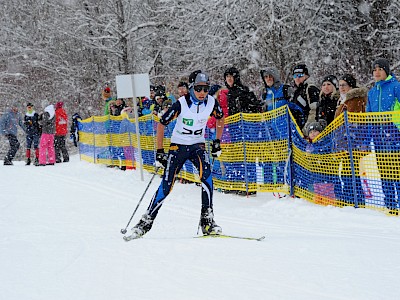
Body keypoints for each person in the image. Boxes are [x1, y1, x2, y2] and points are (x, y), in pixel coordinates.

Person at [128, 70, 225, 239]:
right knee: (167, 185)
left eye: (206, 89)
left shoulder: (211, 102)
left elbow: (220, 118)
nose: (202, 93)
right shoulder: (181, 103)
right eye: (199, 88)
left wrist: (217, 140)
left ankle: (207, 220)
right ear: (192, 88)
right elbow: (161, 123)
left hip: (197, 146)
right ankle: (145, 222)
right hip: (178, 147)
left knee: (207, 177)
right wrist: (160, 151)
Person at [366, 58, 400, 215]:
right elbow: (368, 116)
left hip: (394, 133)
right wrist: (368, 137)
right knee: (384, 171)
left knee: (397, 170)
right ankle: (390, 205)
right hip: (378, 136)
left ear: (386, 71)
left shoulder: (395, 87)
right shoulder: (372, 92)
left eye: (380, 69)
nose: (377, 72)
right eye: (374, 69)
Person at [291, 64, 320, 132]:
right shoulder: (296, 92)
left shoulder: (310, 88)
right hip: (297, 130)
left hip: (309, 130)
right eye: (295, 76)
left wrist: (307, 128)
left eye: (300, 75)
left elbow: (314, 110)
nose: (297, 78)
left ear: (306, 76)